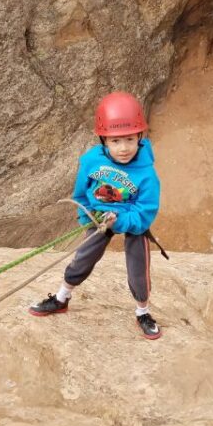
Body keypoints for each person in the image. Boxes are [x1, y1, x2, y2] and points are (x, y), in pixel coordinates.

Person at [29, 91, 163, 339]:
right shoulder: (91, 161)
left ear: (140, 137)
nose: (123, 148)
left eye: (130, 139)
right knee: (83, 257)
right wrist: (88, 218)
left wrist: (121, 221)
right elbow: (81, 192)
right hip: (100, 216)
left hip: (132, 218)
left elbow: (145, 212)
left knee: (138, 266)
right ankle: (61, 297)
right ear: (103, 140)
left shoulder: (147, 175)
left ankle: (142, 311)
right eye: (115, 141)